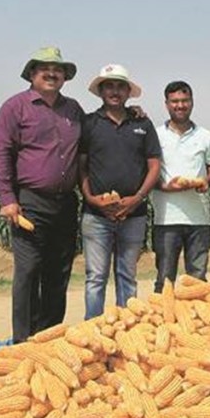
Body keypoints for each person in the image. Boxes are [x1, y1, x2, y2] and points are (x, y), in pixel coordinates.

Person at [0, 46, 83, 343]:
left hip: (65, 203)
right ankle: (23, 341)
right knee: (28, 273)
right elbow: (1, 154)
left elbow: (97, 136)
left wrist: (133, 113)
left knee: (58, 274)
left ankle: (49, 338)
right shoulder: (14, 107)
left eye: (57, 69)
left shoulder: (74, 110)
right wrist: (7, 198)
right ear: (32, 74)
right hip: (30, 202)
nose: (51, 73)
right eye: (44, 68)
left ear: (65, 77)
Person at [79, 64, 161, 319]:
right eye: (109, 86)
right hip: (96, 216)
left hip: (134, 216)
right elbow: (81, 167)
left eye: (120, 86)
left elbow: (154, 165)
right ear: (101, 91)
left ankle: (127, 331)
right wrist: (91, 198)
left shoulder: (142, 123)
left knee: (127, 276)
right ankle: (94, 332)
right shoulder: (89, 123)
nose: (115, 91)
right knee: (95, 277)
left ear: (128, 92)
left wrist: (136, 199)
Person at [152, 81, 210, 292]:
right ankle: (163, 321)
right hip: (166, 217)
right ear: (166, 104)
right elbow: (147, 173)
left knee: (197, 280)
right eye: (174, 101)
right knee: (165, 278)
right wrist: (165, 187)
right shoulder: (155, 135)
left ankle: (195, 323)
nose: (180, 105)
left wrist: (204, 182)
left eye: (184, 101)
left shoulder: (206, 137)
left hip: (199, 217)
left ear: (192, 102)